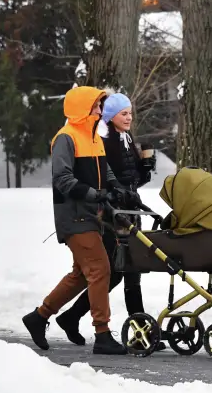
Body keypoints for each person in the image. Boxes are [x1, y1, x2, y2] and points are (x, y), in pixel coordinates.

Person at [21, 86, 134, 355]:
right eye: (96, 106)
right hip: (73, 215)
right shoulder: (66, 138)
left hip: (91, 214)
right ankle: (103, 333)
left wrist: (117, 188)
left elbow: (103, 169)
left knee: (81, 274)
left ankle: (39, 317)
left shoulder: (93, 137)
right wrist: (95, 194)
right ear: (83, 109)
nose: (100, 111)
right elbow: (62, 178)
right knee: (100, 269)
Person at [52, 92, 167, 350]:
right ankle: (128, 329)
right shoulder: (101, 139)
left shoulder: (125, 139)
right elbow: (101, 176)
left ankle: (74, 317)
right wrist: (109, 193)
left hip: (129, 207)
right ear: (111, 116)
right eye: (123, 113)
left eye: (129, 113)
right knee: (116, 271)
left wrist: (146, 167)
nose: (129, 118)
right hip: (112, 211)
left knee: (124, 270)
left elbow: (129, 178)